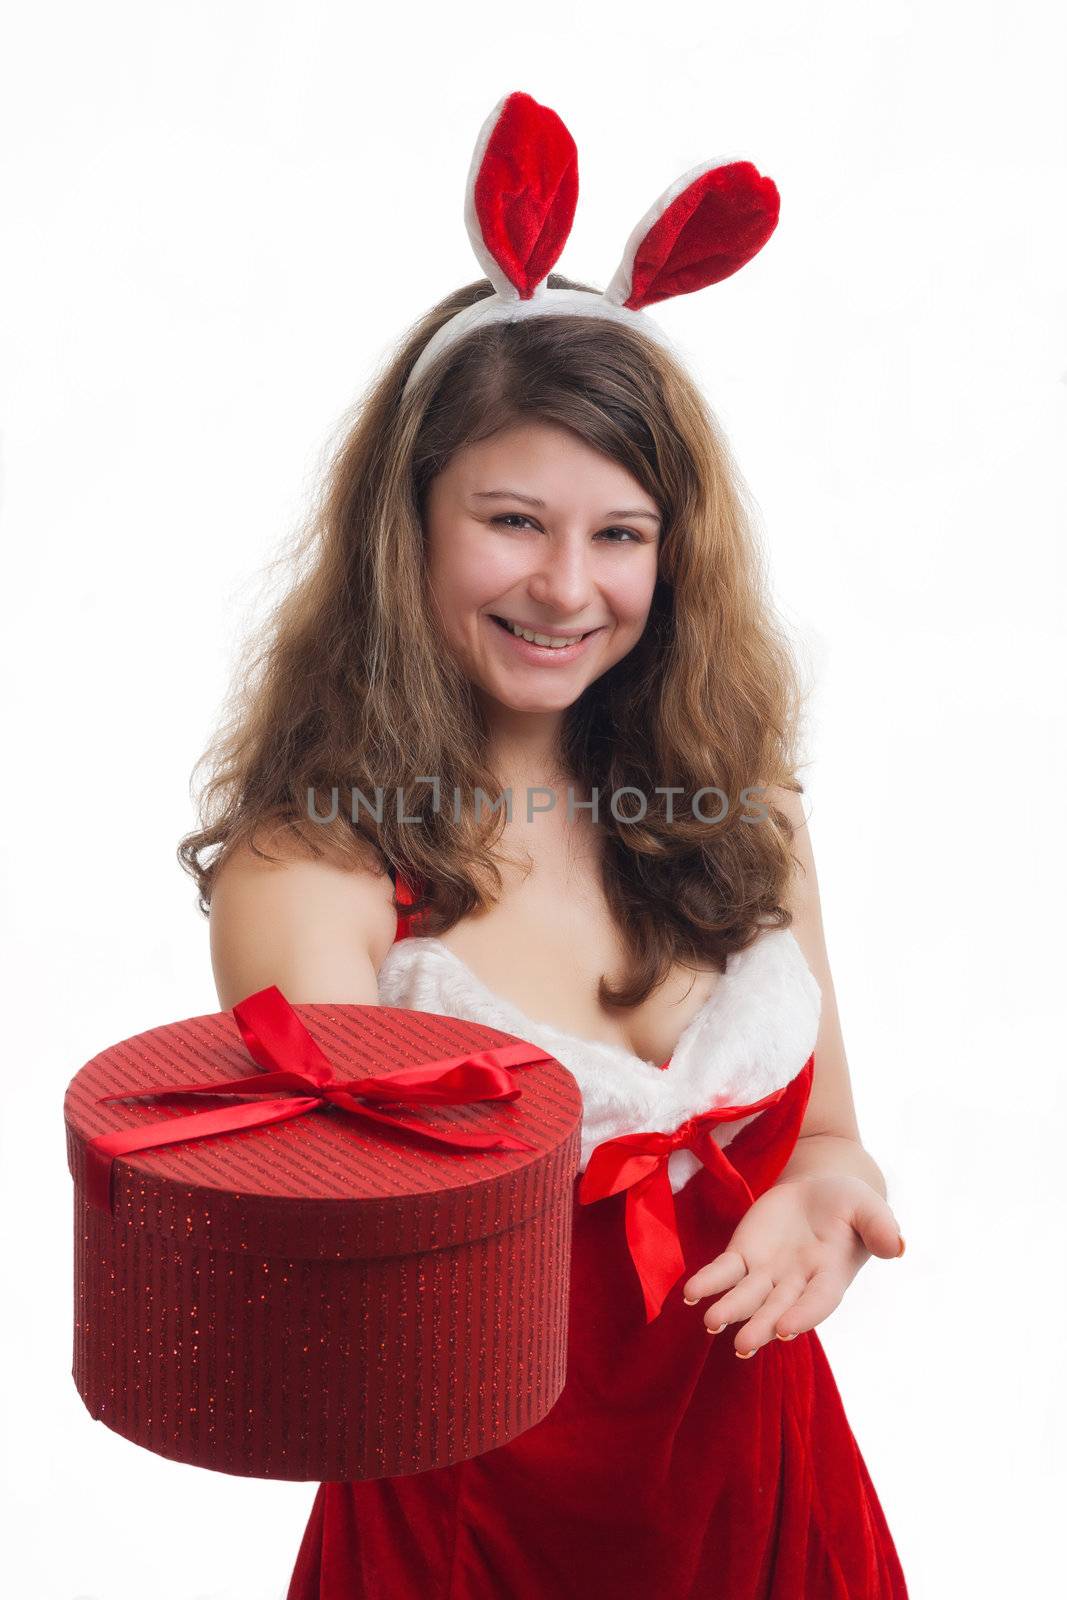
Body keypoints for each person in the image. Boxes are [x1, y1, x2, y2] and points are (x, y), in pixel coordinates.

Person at [179, 91, 909, 1600]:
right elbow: (343, 1301)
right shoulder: (316, 876)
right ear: (413, 524)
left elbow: (828, 1135)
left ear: (674, 549)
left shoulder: (744, 802)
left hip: (776, 1514)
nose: (569, 587)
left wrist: (826, 1198)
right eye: (513, 520)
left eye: (622, 534)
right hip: (468, 1554)